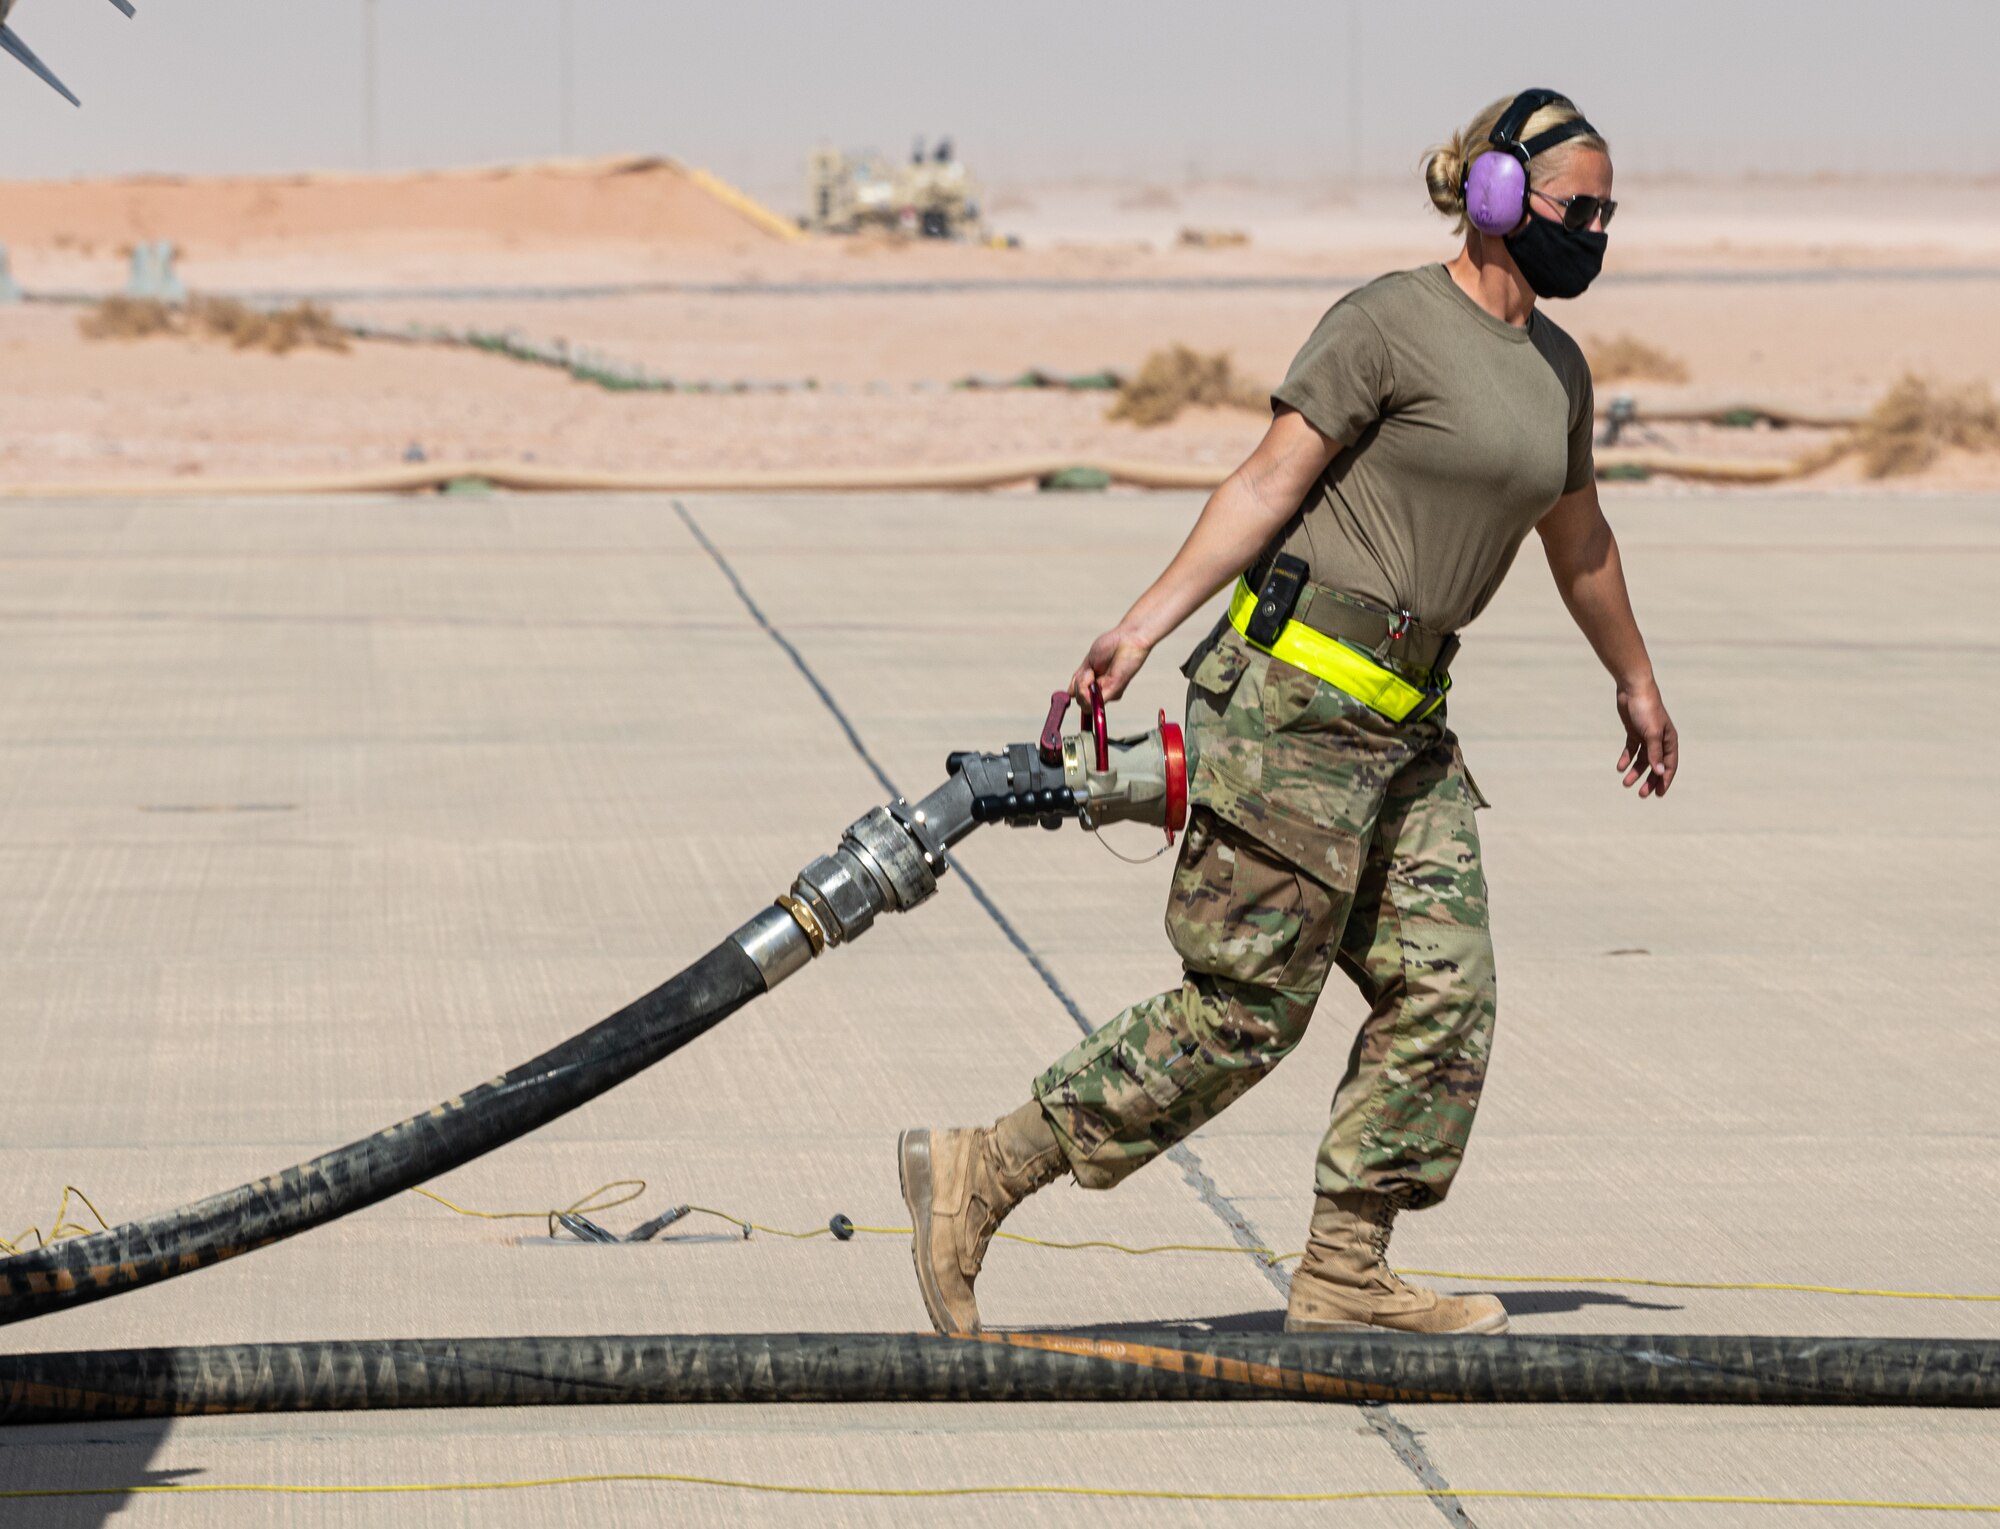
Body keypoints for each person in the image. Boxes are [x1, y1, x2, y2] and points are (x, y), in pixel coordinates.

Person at [898, 89, 1678, 1336]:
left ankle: (1343, 1271)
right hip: (1289, 709)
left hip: (1408, 729)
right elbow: (1266, 479)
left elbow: (1577, 537)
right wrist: (1140, 626)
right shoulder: (1384, 323)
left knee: (1444, 991)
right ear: (1490, 194)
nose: (1592, 229)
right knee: (1244, 1011)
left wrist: (1633, 678)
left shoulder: (1556, 373)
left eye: (1607, 211)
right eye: (1572, 205)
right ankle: (980, 1170)